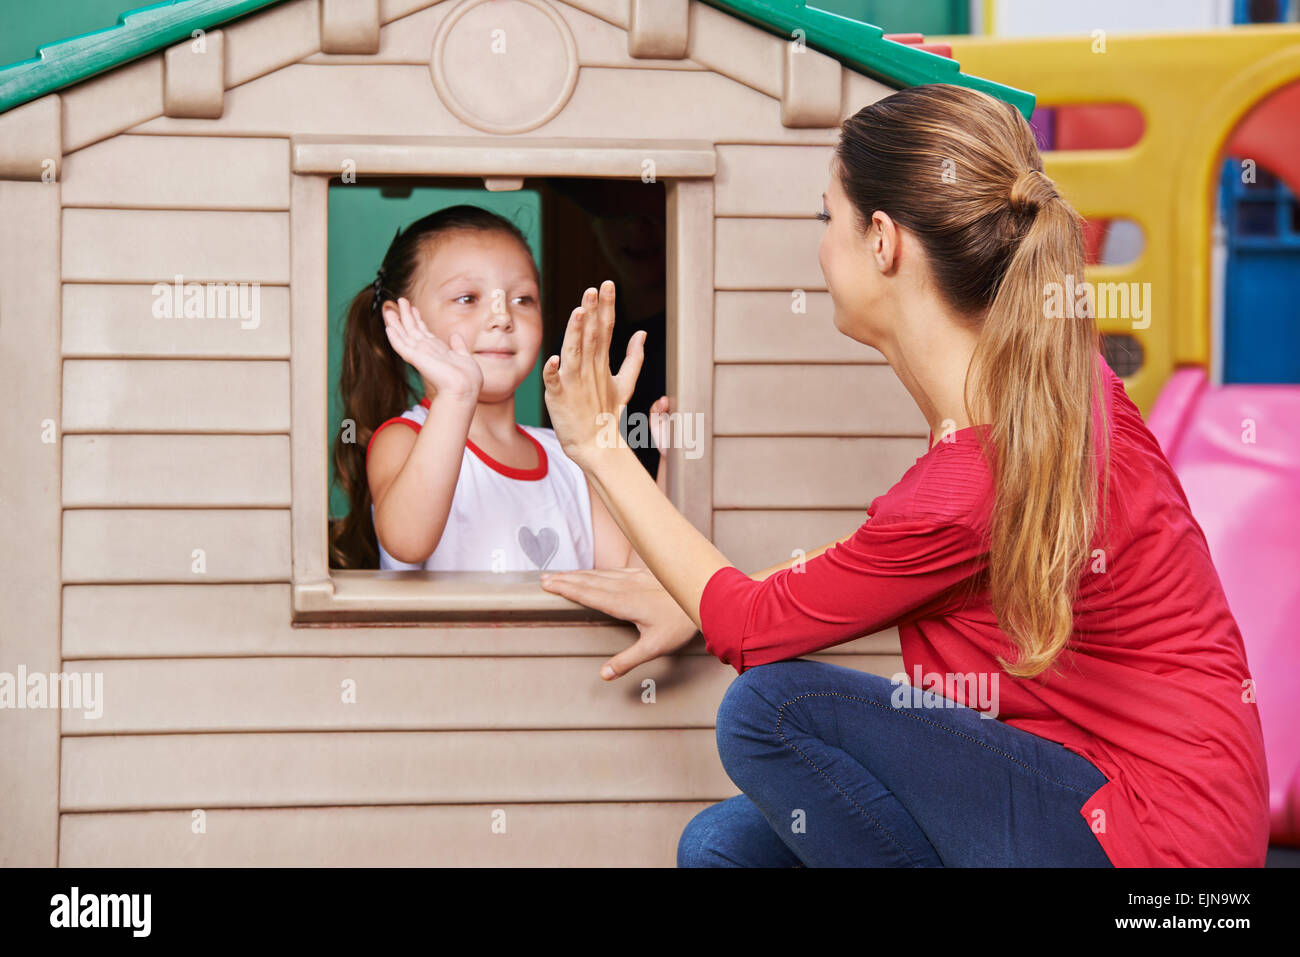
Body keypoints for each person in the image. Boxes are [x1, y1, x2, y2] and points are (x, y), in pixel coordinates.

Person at [537, 84, 1270, 867]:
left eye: (828, 218)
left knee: (771, 709)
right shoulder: (1046, 387)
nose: (820, 244)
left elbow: (749, 629)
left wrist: (600, 443)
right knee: (724, 847)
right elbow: (870, 567)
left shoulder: (969, 480)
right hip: (1104, 803)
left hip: (1153, 848)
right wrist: (708, 594)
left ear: (882, 240)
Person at [328, 204, 668, 572]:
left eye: (522, 299)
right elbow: (407, 543)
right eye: (468, 298)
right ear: (400, 320)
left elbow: (634, 579)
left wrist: (668, 463)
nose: (502, 317)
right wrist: (457, 394)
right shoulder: (403, 439)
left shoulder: (571, 457)